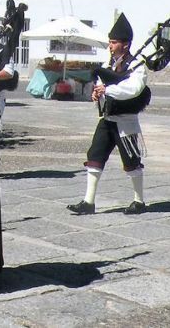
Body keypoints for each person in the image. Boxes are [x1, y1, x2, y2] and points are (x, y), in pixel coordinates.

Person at [67, 13, 148, 215]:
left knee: (131, 161)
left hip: (126, 121)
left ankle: (139, 201)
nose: (110, 46)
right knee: (95, 156)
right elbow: (102, 83)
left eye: (113, 43)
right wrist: (98, 93)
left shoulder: (137, 65)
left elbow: (134, 89)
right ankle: (88, 201)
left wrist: (108, 90)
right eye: (109, 42)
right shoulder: (108, 65)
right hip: (107, 119)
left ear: (126, 45)